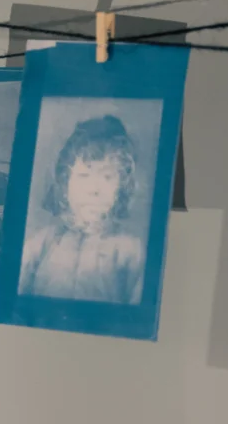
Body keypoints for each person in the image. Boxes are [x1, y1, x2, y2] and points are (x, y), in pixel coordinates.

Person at [18, 114, 145, 305]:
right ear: (65, 182)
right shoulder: (40, 245)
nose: (94, 189)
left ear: (122, 186)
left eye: (108, 177)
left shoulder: (129, 251)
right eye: (84, 175)